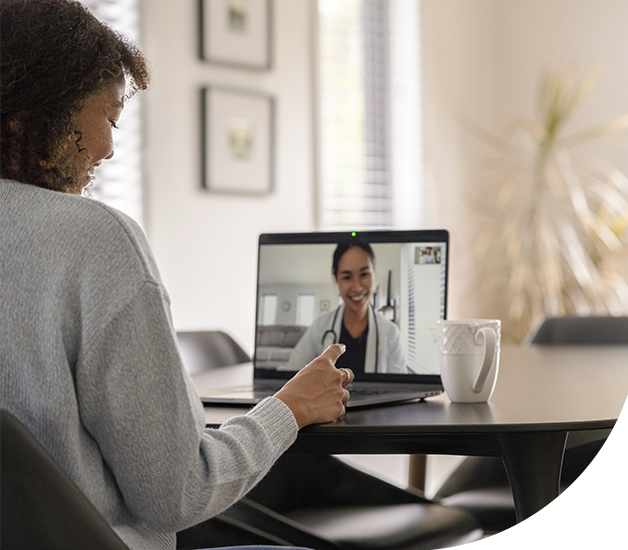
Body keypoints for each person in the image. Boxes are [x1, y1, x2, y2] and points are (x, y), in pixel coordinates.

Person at [0, 2, 353, 549]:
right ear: (49, 107)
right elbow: (178, 494)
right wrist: (290, 408)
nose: (110, 148)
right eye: (110, 118)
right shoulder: (95, 239)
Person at [286, 241, 406, 375]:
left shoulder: (390, 333)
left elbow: (399, 386)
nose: (357, 287)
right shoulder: (320, 326)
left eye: (364, 274)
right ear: (337, 280)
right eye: (347, 277)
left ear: (374, 275)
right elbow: (292, 374)